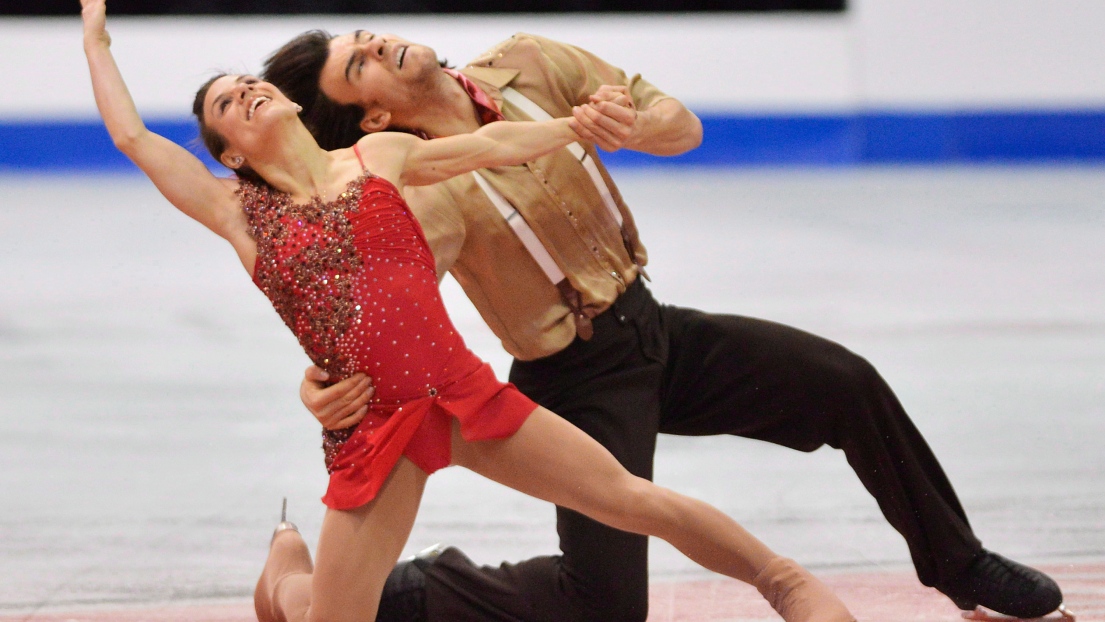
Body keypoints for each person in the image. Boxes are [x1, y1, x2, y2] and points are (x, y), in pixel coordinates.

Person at [80, 2, 857, 621]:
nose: (244, 92)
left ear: (285, 98)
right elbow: (129, 135)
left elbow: (487, 148)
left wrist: (572, 126)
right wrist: (95, 35)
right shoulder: (237, 215)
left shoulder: (377, 156)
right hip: (375, 427)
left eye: (249, 84)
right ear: (231, 154)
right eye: (225, 104)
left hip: (461, 395)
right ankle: (284, 585)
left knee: (628, 498)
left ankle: (784, 584)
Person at [261, 26, 1068, 622]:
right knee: (602, 610)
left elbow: (680, 125)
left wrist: (634, 126)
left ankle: (961, 568)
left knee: (844, 384)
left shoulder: (529, 64)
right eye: (357, 64)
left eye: (364, 37)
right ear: (370, 121)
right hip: (575, 379)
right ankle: (407, 587)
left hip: (657, 331)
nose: (373, 43)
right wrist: (318, 383)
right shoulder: (413, 190)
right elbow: (377, 316)